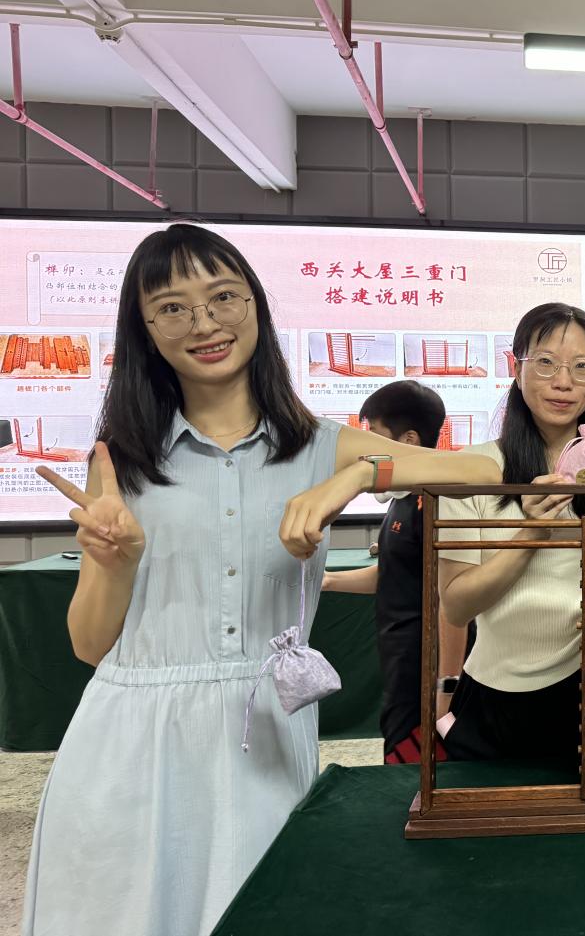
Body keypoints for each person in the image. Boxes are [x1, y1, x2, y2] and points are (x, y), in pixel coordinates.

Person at [23, 224, 498, 936]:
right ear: (145, 330)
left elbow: (485, 467)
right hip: (132, 739)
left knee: (265, 908)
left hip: (263, 731)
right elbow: (90, 645)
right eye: (172, 308)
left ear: (255, 305)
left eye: (223, 296)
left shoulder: (320, 445)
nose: (204, 322)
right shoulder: (120, 461)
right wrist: (115, 563)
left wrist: (359, 475)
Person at [437, 302, 585, 763]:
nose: (563, 381)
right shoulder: (475, 471)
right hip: (496, 698)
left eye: (581, 366)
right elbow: (457, 605)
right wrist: (532, 532)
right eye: (546, 362)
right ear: (515, 368)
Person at [321, 380, 473, 764]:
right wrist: (328, 581)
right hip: (400, 660)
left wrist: (446, 686)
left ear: (408, 440)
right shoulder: (401, 499)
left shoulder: (436, 504)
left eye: (373, 434)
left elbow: (454, 604)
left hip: (424, 664)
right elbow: (393, 575)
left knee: (413, 767)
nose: (362, 448)